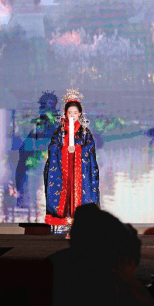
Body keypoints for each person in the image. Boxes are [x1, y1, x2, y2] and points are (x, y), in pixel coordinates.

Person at [43, 89, 100, 236]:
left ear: (80, 113)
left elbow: (90, 148)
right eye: (70, 112)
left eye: (75, 112)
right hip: (64, 171)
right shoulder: (60, 132)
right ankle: (65, 227)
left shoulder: (85, 132)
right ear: (65, 113)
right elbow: (53, 147)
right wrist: (64, 150)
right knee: (64, 197)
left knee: (81, 197)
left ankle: (80, 229)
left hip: (80, 172)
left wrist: (78, 150)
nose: (73, 115)